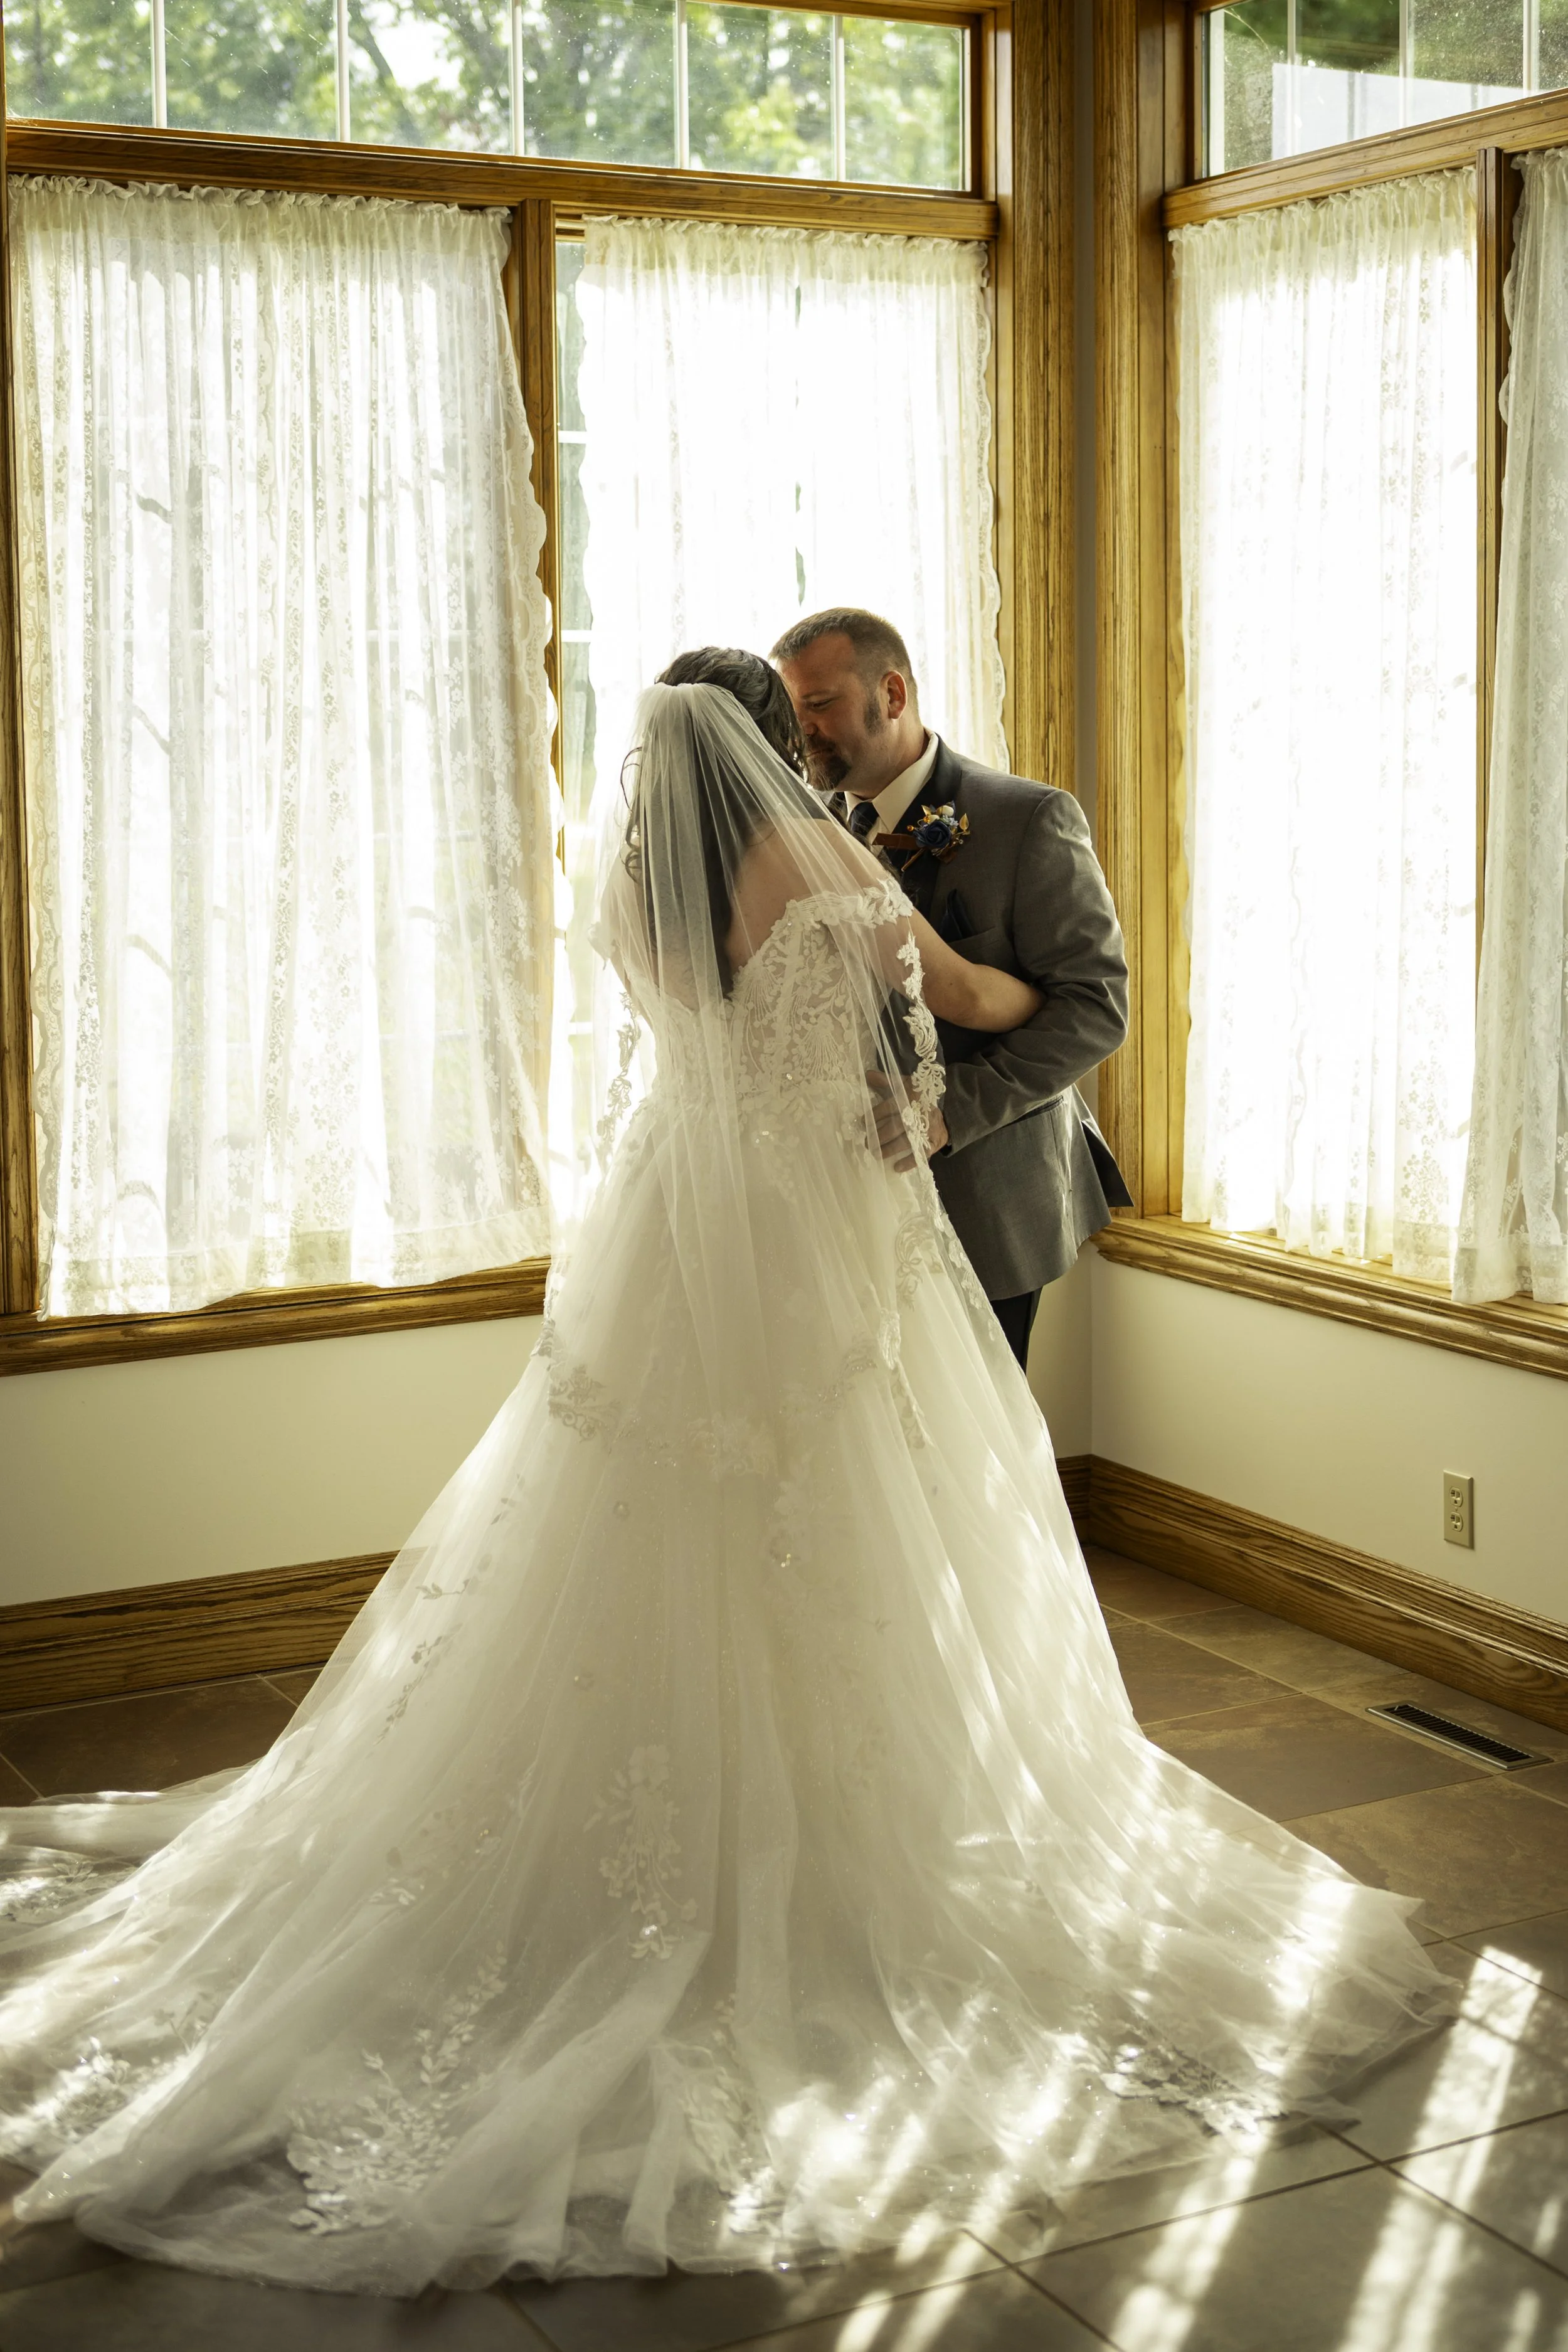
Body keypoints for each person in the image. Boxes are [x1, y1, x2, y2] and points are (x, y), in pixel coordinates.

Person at [0, 664, 1451, 2299]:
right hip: (817, 1256)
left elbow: (710, 1043)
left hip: (671, 1251)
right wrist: (910, 1070)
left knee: (620, 1526)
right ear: (774, 736)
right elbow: (918, 1058)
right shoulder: (834, 874)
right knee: (851, 1532)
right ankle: (843, 1851)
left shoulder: (634, 890)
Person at [773, 610, 1132, 1372]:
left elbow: (1095, 1009)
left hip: (984, 1198)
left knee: (978, 1463)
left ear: (892, 693)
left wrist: (947, 1112)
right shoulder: (800, 833)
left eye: (820, 704)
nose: (801, 730)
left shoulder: (1026, 820)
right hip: (843, 1207)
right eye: (791, 708)